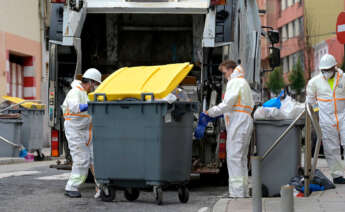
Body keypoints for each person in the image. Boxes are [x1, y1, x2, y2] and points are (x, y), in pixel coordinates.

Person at [206, 60, 254, 197]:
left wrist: (210, 112)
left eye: (225, 72)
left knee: (234, 158)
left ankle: (236, 194)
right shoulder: (243, 83)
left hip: (238, 123)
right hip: (244, 122)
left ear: (232, 70)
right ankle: (243, 191)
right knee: (242, 159)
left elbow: (227, 104)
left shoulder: (235, 82)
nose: (225, 75)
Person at [62, 68, 102, 198]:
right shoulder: (75, 92)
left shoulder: (85, 93)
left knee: (95, 158)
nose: (95, 87)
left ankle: (101, 187)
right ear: (90, 82)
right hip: (75, 131)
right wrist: (90, 105)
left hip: (86, 130)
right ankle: (71, 187)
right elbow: (74, 107)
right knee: (82, 160)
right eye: (95, 84)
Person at [306, 54, 345, 184]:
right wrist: (317, 113)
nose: (326, 72)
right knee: (331, 148)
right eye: (324, 70)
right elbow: (310, 101)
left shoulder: (343, 79)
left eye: (329, 69)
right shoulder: (314, 82)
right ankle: (337, 175)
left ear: (335, 67)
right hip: (326, 118)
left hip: (343, 115)